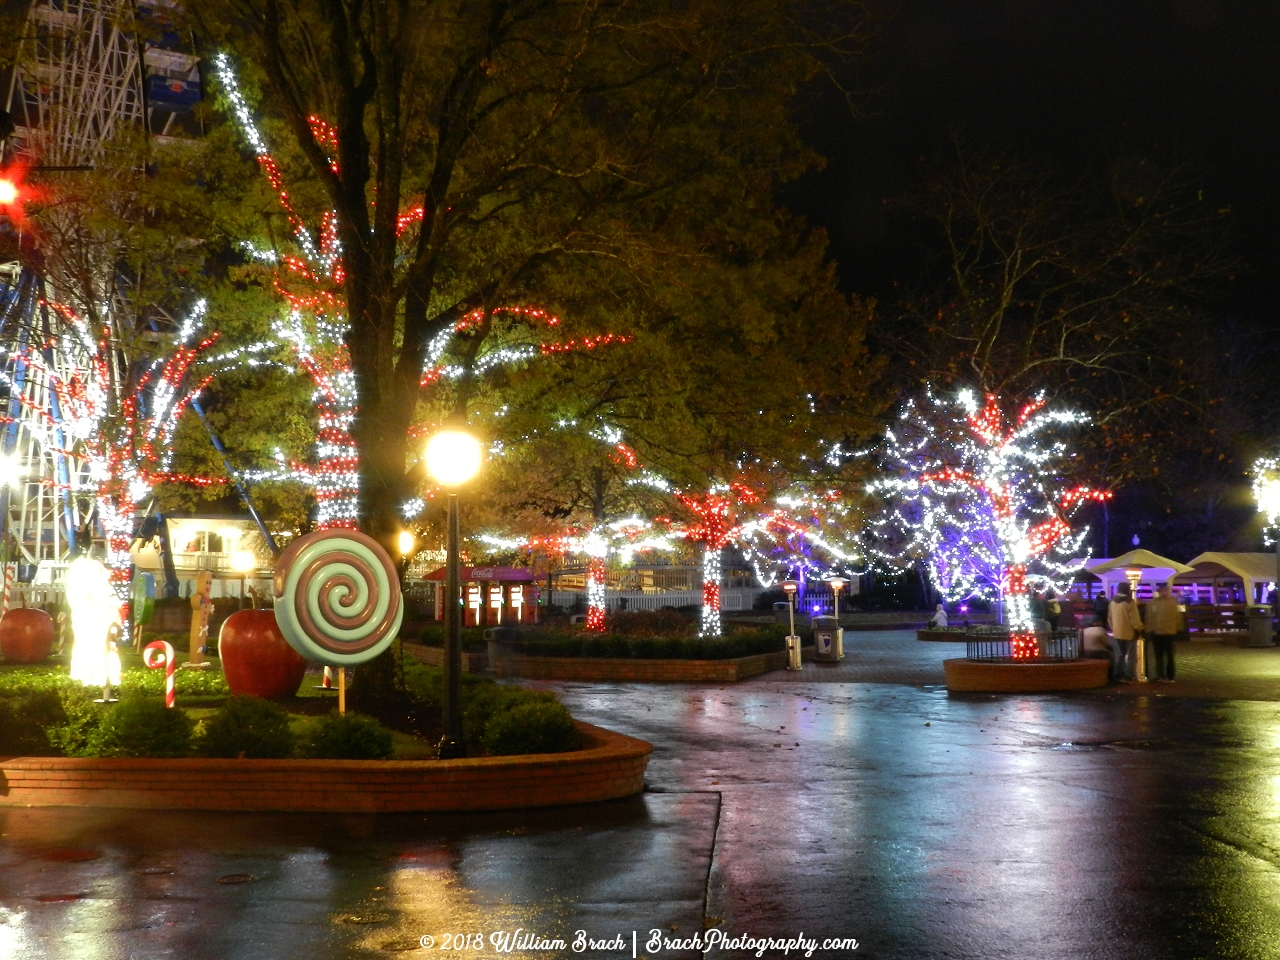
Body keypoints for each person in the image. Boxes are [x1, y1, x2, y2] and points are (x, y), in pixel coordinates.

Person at [1145, 582, 1182, 682]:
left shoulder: (1158, 602)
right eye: (1161, 591)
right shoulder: (1170, 602)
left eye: (1164, 590)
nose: (1163, 592)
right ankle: (1163, 675)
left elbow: (1178, 617)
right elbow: (1149, 617)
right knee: (1161, 655)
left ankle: (1168, 676)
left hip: (1166, 632)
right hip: (1160, 632)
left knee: (1167, 655)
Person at [1108, 584, 1144, 681]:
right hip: (1129, 632)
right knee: (1131, 655)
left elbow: (1110, 618)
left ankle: (1118, 674)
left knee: (1119, 654)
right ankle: (1129, 675)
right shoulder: (1129, 601)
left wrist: (1114, 628)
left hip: (1117, 632)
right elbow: (1134, 619)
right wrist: (1140, 627)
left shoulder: (1112, 601)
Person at [1080, 617, 1118, 681]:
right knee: (1112, 657)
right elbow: (1107, 643)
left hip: (1085, 653)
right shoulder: (1100, 630)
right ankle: (1111, 677)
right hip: (1099, 653)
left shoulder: (1083, 631)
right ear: (1098, 622)